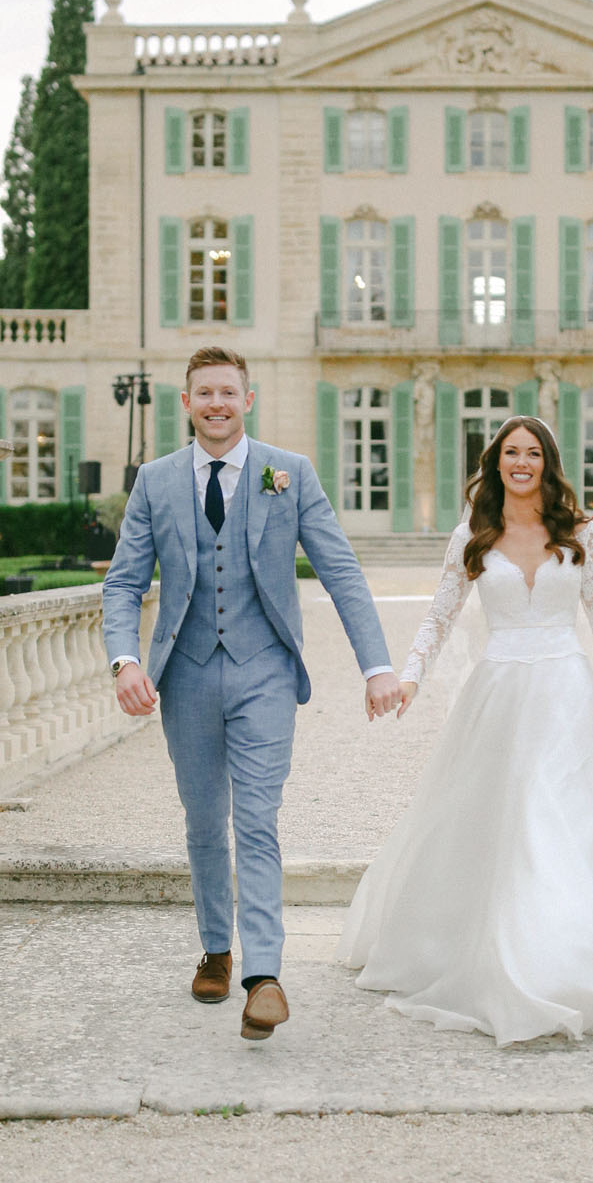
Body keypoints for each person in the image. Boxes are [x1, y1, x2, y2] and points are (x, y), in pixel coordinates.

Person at [338, 415, 593, 1044]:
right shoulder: (474, 534)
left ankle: (571, 954)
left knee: (566, 821)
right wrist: (409, 678)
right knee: (500, 822)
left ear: (548, 461)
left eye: (533, 453)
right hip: (499, 692)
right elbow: (440, 615)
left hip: (566, 692)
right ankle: (497, 953)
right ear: (496, 462)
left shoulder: (581, 534)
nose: (522, 462)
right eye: (511, 452)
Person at [103, 345, 399, 1040]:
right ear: (186, 402)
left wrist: (376, 665)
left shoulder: (288, 474)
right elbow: (122, 582)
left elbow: (341, 571)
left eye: (227, 392)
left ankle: (263, 974)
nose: (216, 404)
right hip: (185, 673)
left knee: (257, 819)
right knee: (204, 820)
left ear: (248, 399)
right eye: (203, 392)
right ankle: (215, 946)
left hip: (264, 670)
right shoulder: (154, 480)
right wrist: (124, 661)